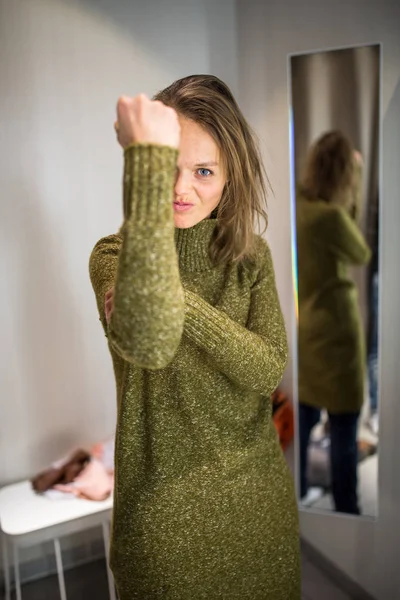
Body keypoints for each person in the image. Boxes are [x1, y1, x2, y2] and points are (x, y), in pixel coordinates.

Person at [89, 74, 300, 599]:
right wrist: (143, 158)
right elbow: (151, 344)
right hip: (162, 527)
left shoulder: (251, 257)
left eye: (204, 171)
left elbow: (267, 369)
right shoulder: (115, 258)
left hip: (259, 507)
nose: (182, 190)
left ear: (230, 177)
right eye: (168, 168)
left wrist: (180, 299)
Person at [296, 131, 371, 515]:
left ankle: (302, 487)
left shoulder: (301, 207)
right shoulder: (331, 217)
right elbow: (360, 252)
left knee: (306, 415)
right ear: (343, 173)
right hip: (338, 330)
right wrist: (355, 187)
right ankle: (348, 507)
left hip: (308, 327)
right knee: (344, 425)